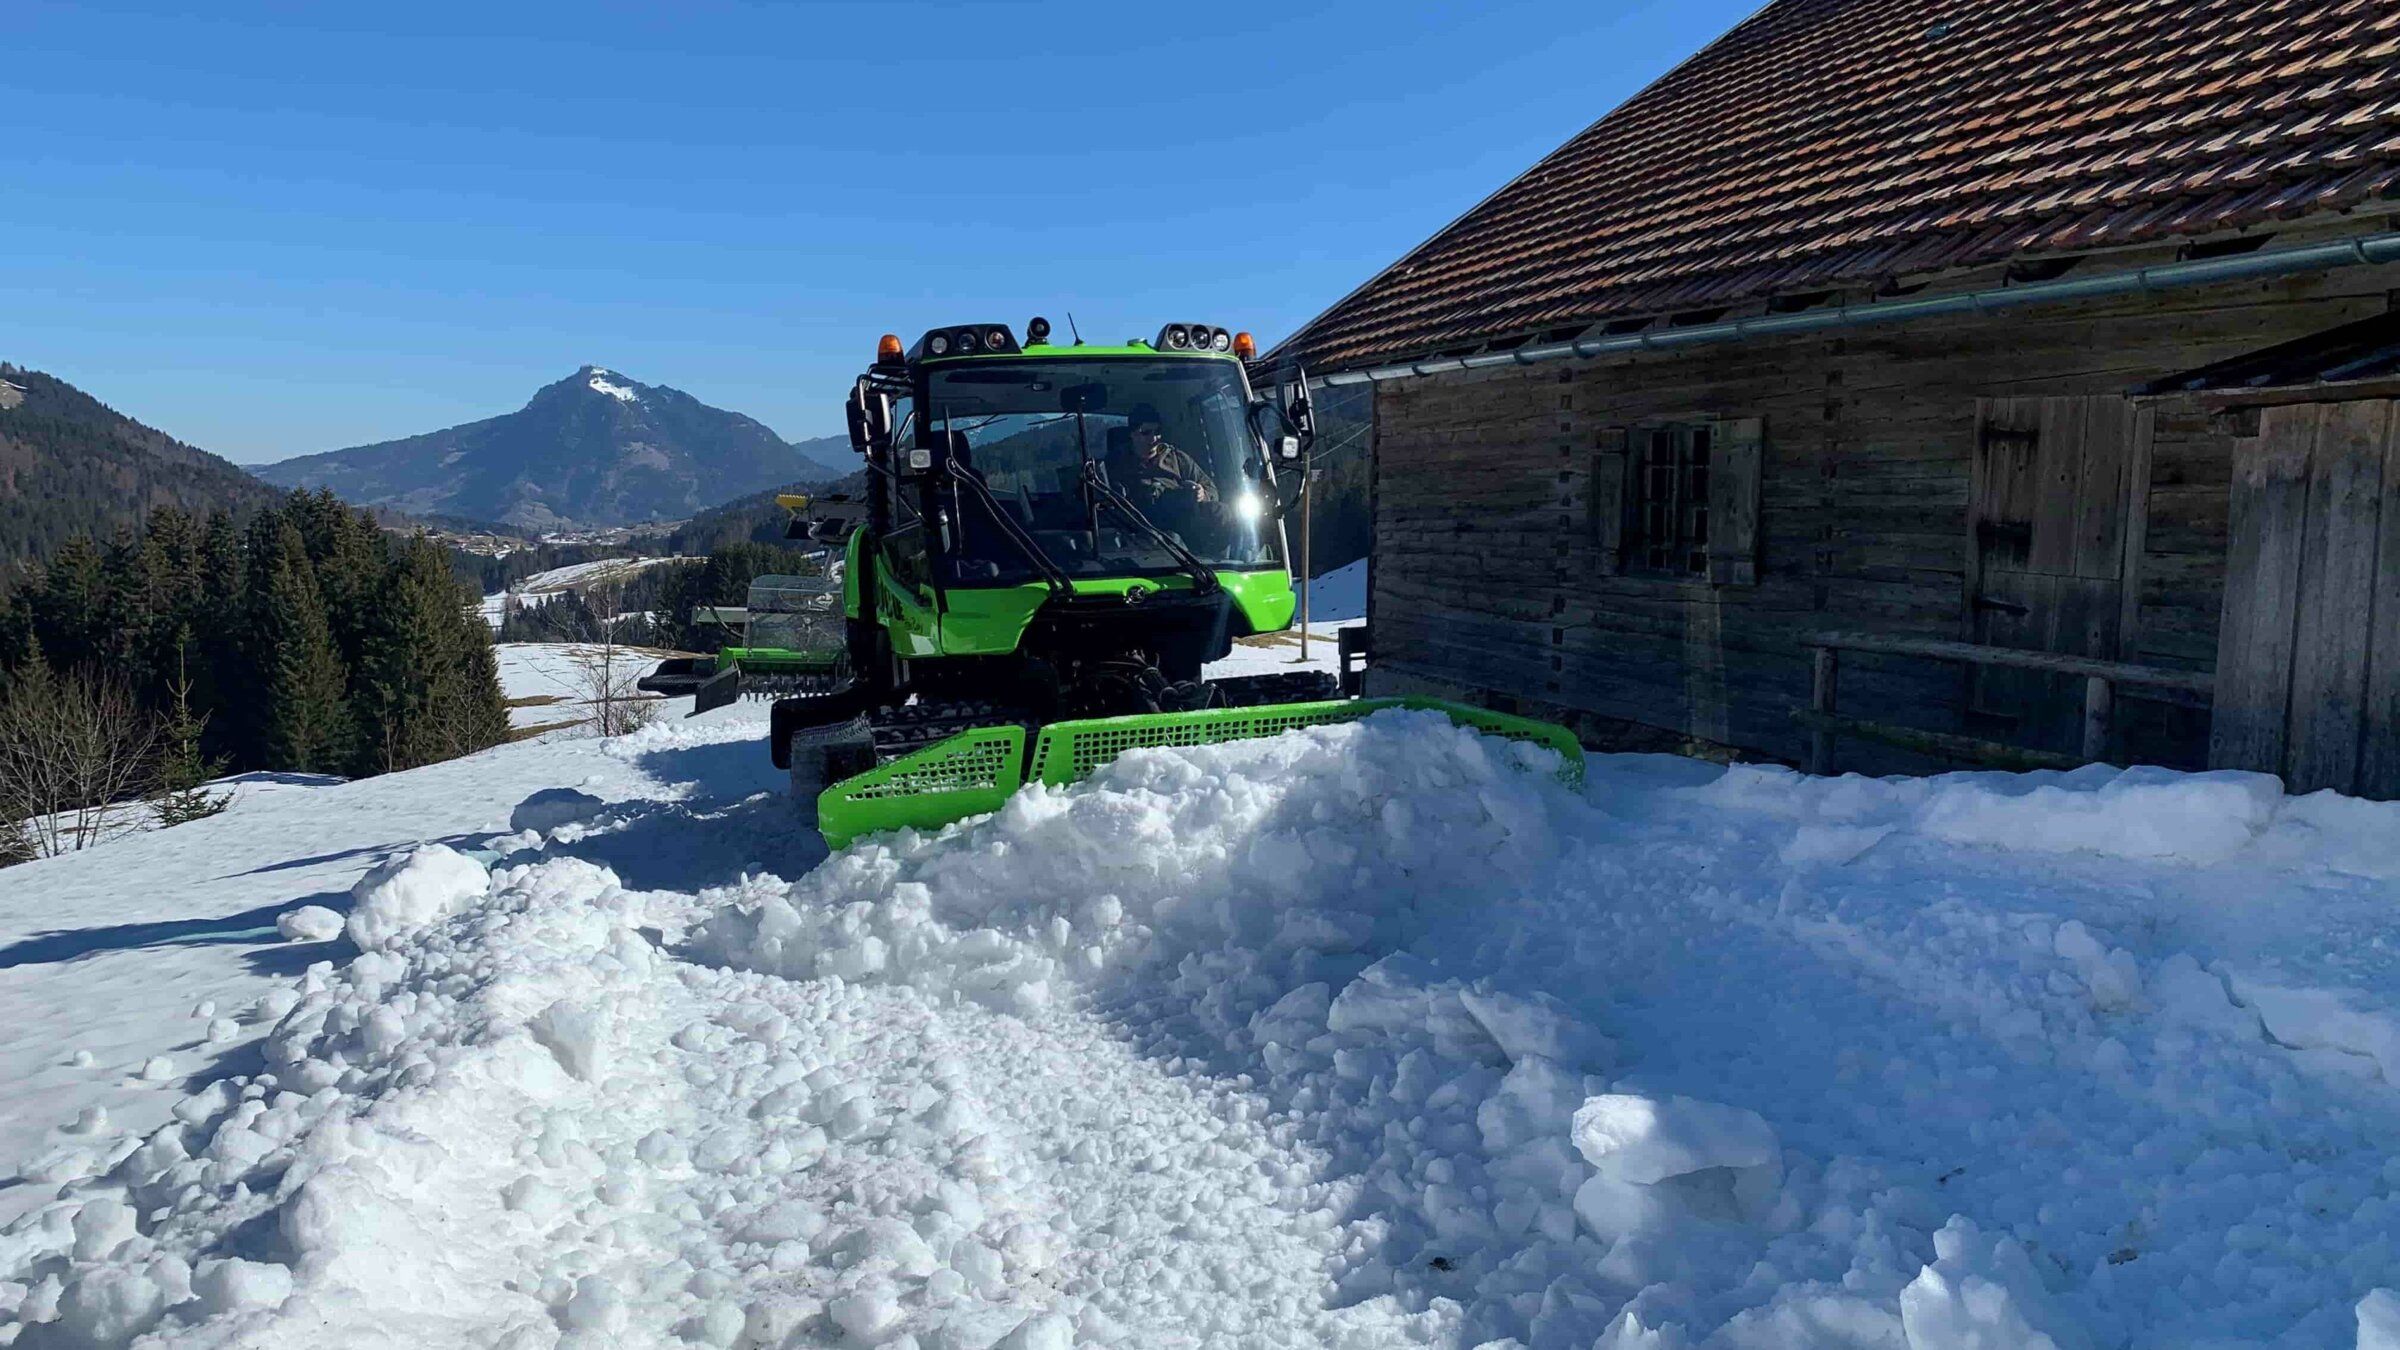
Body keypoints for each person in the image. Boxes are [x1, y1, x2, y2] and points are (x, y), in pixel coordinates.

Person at [1108, 404, 1218, 512]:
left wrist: (1202, 494)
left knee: (1222, 512)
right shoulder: (1116, 462)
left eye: (1157, 432)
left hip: (1181, 522)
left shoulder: (1178, 458)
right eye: (1146, 432)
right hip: (1135, 524)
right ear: (1132, 434)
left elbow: (1211, 490)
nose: (1154, 438)